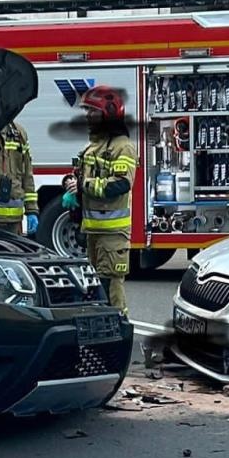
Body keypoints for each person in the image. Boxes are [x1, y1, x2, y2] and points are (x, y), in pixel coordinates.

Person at [63, 85, 137, 315]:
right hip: (94, 231)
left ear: (108, 115)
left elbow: (121, 183)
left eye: (92, 112)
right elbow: (82, 174)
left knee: (111, 284)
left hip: (113, 234)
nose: (87, 116)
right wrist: (70, 183)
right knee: (96, 283)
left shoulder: (122, 146)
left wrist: (84, 185)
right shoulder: (91, 146)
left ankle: (119, 326)